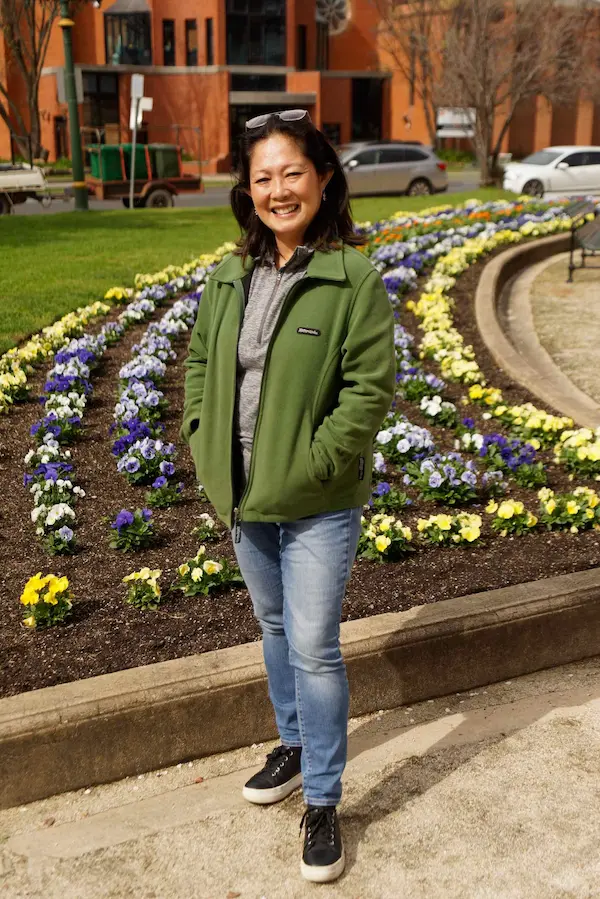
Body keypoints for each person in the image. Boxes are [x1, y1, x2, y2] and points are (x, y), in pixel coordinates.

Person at [182, 109, 395, 884]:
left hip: (317, 502)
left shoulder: (352, 279)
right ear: (247, 189)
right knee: (273, 626)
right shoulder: (229, 274)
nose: (278, 190)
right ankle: (295, 743)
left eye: (292, 174)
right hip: (243, 497)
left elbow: (368, 392)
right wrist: (204, 436)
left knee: (314, 643)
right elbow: (203, 365)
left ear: (324, 179)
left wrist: (316, 463)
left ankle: (326, 800)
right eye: (262, 176)